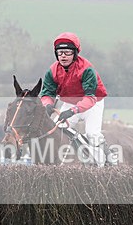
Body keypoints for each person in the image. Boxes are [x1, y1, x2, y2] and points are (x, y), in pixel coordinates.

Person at [39, 32, 108, 161]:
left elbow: (90, 98)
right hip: (71, 102)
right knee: (56, 131)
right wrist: (47, 104)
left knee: (92, 134)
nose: (63, 56)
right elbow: (47, 93)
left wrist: (73, 111)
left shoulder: (87, 69)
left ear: (75, 53)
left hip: (93, 103)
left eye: (67, 52)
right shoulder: (52, 71)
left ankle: (108, 158)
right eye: (60, 53)